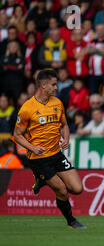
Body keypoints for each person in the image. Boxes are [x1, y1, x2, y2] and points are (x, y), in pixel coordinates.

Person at [13, 69, 86, 229]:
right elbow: (17, 135)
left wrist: (66, 138)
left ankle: (41, 180)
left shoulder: (57, 103)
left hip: (56, 154)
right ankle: (71, 221)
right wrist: (32, 147)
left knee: (77, 188)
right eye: (53, 84)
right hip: (38, 158)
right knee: (61, 190)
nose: (56, 87)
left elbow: (64, 125)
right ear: (43, 85)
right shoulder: (27, 108)